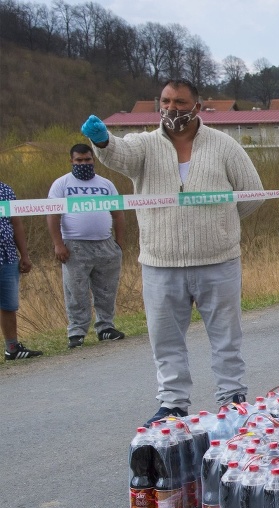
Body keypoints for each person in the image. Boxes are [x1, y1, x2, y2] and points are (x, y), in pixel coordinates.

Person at [80, 78, 264, 425]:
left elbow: (252, 193)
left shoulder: (224, 145)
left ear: (197, 106)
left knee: (227, 337)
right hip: (160, 263)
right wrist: (102, 140)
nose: (172, 108)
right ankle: (173, 404)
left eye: (180, 101)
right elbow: (120, 154)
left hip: (218, 261)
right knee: (165, 341)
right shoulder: (144, 145)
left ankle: (232, 399)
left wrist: (218, 223)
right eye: (165, 101)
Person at [47, 144, 126, 349]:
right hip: (75, 246)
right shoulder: (62, 184)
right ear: (72, 161)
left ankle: (106, 328)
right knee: (76, 290)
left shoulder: (106, 184)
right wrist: (58, 244)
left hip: (105, 245)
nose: (84, 163)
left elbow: (118, 214)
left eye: (87, 160)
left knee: (107, 290)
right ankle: (77, 331)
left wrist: (119, 244)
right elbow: (52, 215)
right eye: (79, 160)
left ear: (93, 160)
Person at [0, 181, 43, 361]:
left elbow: (16, 223)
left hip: (7, 256)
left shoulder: (5, 190)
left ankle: (12, 348)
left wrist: (24, 255)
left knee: (9, 305)